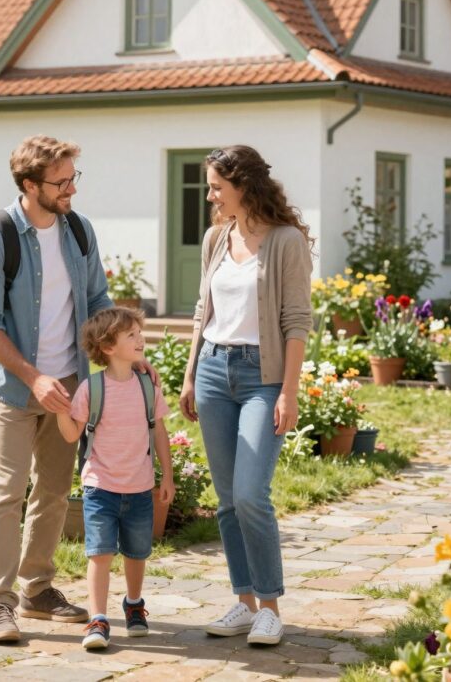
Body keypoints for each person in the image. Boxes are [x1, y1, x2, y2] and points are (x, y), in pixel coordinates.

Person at [0, 135, 152, 643]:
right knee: (6, 489)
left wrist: (129, 355)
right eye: (61, 181)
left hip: (68, 380)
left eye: (74, 178)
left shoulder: (78, 230)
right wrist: (33, 376)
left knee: (52, 488)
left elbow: (96, 299)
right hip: (11, 384)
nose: (71, 188)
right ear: (30, 185)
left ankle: (37, 589)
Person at [178, 145, 313, 647]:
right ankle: (244, 601)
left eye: (217, 186)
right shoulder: (217, 237)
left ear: (243, 185)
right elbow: (202, 311)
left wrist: (289, 392)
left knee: (250, 493)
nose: (211, 195)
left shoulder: (285, 241)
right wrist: (192, 373)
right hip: (213, 370)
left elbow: (297, 320)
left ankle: (271, 608)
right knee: (226, 501)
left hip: (263, 376)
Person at [56, 307, 175, 650]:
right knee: (100, 554)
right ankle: (98, 618)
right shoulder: (91, 388)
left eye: (140, 333)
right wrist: (59, 409)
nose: (141, 340)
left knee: (137, 554)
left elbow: (160, 433)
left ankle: (134, 605)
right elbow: (71, 435)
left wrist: (166, 476)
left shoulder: (147, 386)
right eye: (132, 336)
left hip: (139, 487)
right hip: (100, 487)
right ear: (108, 347)